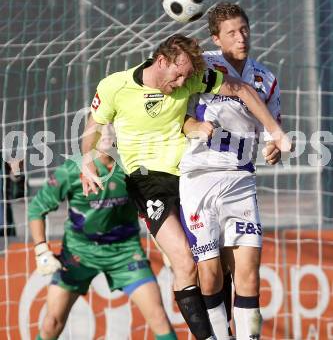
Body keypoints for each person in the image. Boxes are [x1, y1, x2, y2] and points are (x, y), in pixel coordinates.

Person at [80, 34, 291, 340]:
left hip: (191, 178)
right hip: (147, 181)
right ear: (161, 60)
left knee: (218, 264)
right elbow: (94, 126)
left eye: (186, 77)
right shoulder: (115, 85)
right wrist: (87, 160)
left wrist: (274, 131)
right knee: (184, 261)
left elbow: (241, 88)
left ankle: (225, 330)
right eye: (177, 75)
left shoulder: (191, 78)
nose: (181, 83)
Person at [179, 3, 284, 339]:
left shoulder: (266, 79)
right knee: (210, 274)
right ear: (216, 38)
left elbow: (273, 129)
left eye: (244, 30)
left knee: (249, 273)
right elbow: (170, 113)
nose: (241, 38)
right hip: (199, 178)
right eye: (231, 33)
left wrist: (273, 147)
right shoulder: (202, 66)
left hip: (240, 179)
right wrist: (191, 124)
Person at [28, 125, 176, 340]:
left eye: (112, 128)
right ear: (90, 135)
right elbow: (36, 209)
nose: (107, 134)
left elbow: (153, 209)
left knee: (159, 317)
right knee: (51, 322)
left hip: (125, 253)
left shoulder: (133, 168)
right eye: (101, 129)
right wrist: (41, 250)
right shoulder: (72, 170)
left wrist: (167, 246)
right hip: (79, 254)